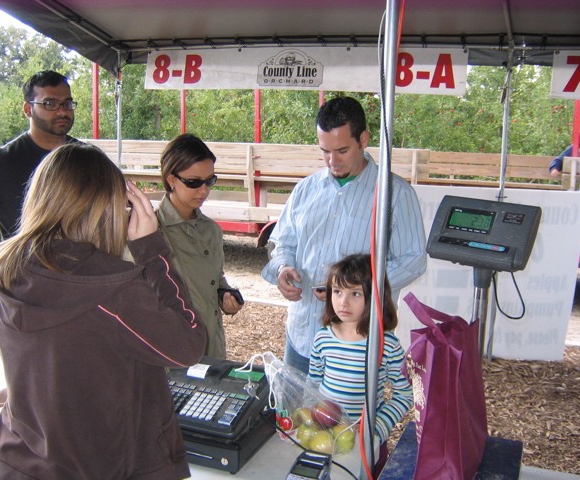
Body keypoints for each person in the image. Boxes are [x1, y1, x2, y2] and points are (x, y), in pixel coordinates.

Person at [0, 143, 207, 480]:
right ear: (108, 208)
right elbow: (188, 345)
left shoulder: (4, 265)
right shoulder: (111, 289)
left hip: (17, 460)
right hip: (105, 466)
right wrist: (153, 250)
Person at [261, 96, 427, 373]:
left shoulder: (394, 194)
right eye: (324, 151)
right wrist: (282, 268)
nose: (332, 161)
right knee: (298, 414)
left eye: (341, 150)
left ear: (363, 139)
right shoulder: (306, 189)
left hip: (357, 344)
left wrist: (349, 289)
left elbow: (413, 260)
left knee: (348, 417)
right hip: (303, 335)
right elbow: (284, 242)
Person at [0, 70, 78, 344]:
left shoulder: (85, 158)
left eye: (67, 103)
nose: (61, 111)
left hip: (79, 297)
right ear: (28, 108)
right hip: (23, 305)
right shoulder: (1, 165)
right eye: (49, 103)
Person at [308, 253, 413, 475]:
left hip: (368, 443)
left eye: (355, 293)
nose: (343, 302)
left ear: (376, 296)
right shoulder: (322, 338)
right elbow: (312, 385)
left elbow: (404, 394)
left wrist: (376, 429)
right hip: (325, 435)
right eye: (337, 292)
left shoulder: (386, 345)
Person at [156, 133, 243, 359]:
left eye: (210, 181)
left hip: (211, 349)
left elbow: (215, 279)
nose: (204, 190)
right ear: (171, 179)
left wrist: (225, 296)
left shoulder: (211, 230)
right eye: (193, 182)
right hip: (172, 355)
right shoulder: (150, 233)